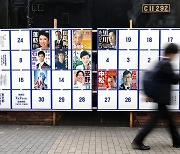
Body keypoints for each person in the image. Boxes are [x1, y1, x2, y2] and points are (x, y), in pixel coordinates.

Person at [132, 43, 180, 150]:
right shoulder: (166, 64)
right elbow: (174, 79)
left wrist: (151, 95)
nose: (175, 56)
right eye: (175, 54)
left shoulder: (160, 63)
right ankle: (138, 140)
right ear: (171, 53)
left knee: (170, 120)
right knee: (153, 122)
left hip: (159, 97)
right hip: (161, 98)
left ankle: (177, 141)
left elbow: (155, 80)